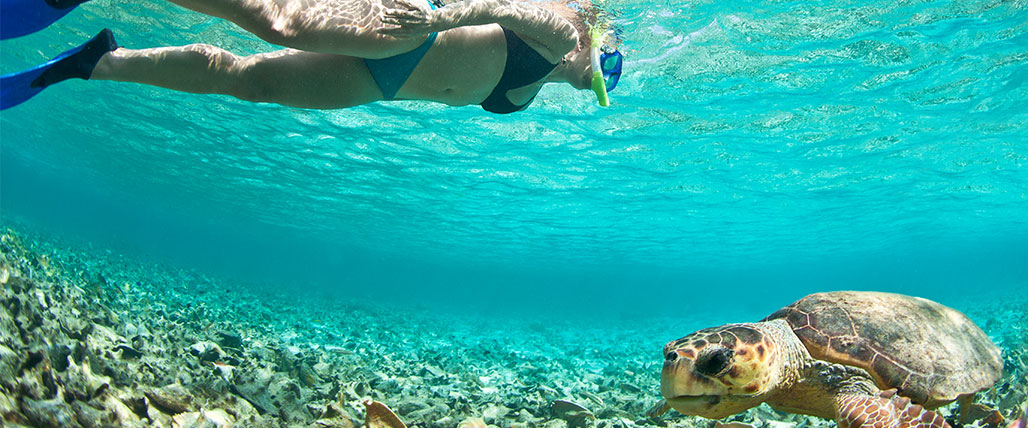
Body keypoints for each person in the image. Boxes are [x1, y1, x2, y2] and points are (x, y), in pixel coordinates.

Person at [0, 0, 623, 112]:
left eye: (611, 75)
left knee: (248, 82)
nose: (599, 73)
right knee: (275, 21)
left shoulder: (545, 79)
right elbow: (511, 8)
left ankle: (96, 63)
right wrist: (439, 17)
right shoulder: (568, 24)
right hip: (416, 32)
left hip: (382, 84)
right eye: (609, 60)